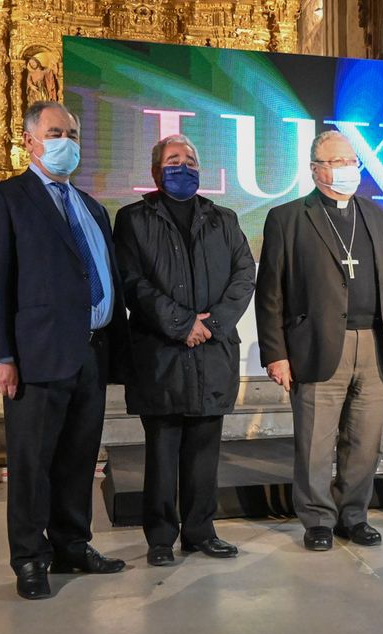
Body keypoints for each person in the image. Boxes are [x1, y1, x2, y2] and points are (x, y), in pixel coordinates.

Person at [0, 101, 130, 599]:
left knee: (79, 460)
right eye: (56, 132)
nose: (67, 142)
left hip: (90, 352)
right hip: (35, 357)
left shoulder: (91, 207)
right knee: (32, 464)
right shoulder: (4, 199)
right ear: (30, 141)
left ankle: (72, 545)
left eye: (73, 134)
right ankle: (29, 559)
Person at [255, 130, 383, 551]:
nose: (348, 169)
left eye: (352, 161)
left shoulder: (377, 216)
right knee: (315, 444)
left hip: (374, 343)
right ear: (315, 169)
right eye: (337, 162)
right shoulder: (288, 218)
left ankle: (353, 515)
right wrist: (276, 354)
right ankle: (318, 519)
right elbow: (270, 293)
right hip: (317, 344)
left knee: (365, 441)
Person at [113, 134, 256, 566]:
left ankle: (200, 531)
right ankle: (160, 538)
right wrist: (181, 324)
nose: (184, 166)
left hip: (212, 353)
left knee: (204, 453)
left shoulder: (223, 219)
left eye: (191, 160)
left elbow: (244, 275)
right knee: (161, 452)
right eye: (174, 159)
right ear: (157, 171)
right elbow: (132, 282)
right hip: (160, 356)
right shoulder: (133, 219)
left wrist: (210, 325)